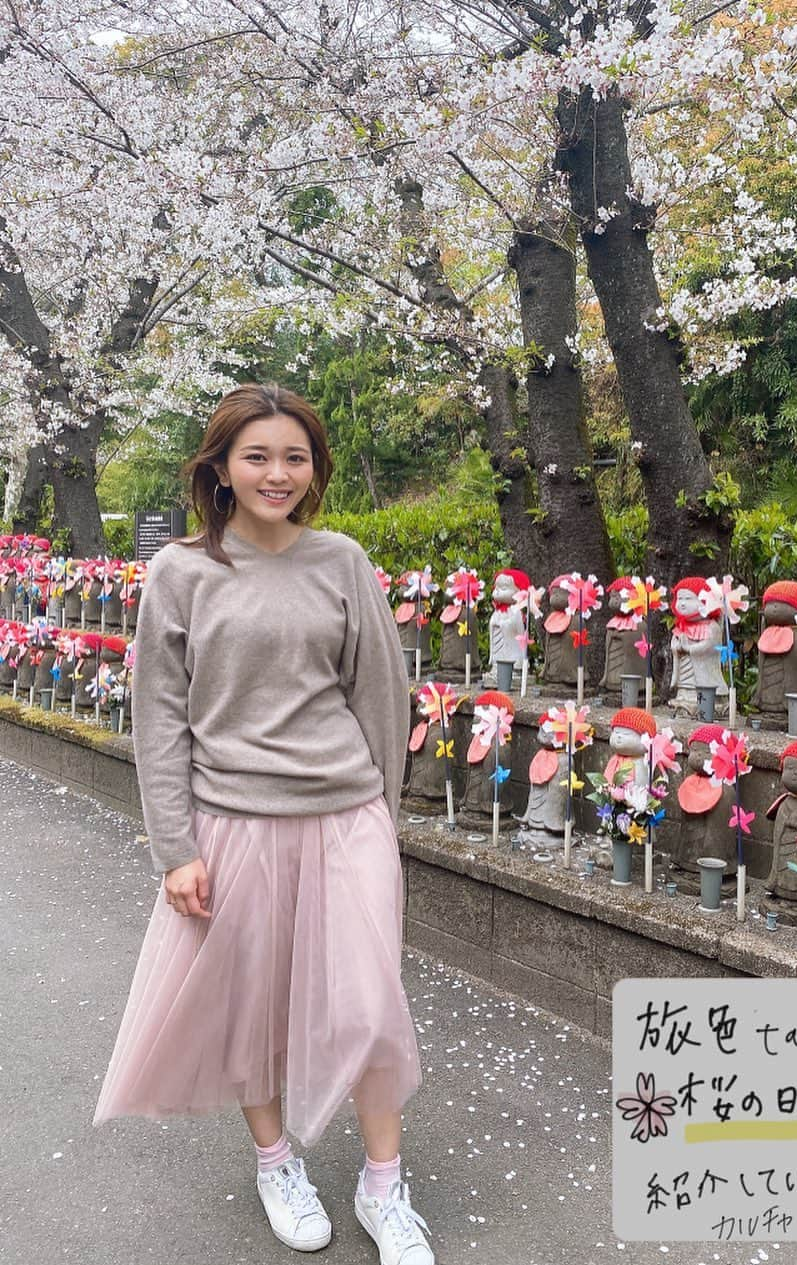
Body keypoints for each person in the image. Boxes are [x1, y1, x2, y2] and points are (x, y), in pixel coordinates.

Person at [93, 383, 434, 1263]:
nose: (278, 473)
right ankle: (276, 1162)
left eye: (295, 456)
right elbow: (160, 715)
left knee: (369, 1004)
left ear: (314, 467)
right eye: (257, 456)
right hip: (230, 823)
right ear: (220, 467)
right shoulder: (181, 571)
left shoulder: (342, 562)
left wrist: (379, 825)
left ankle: (384, 1186)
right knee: (253, 1007)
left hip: (344, 816)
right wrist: (175, 846)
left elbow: (381, 701)